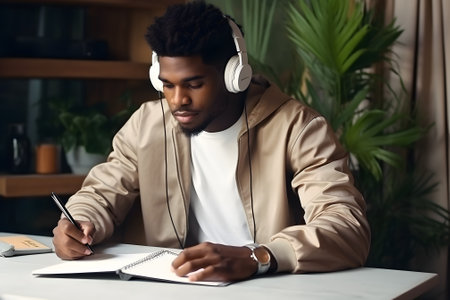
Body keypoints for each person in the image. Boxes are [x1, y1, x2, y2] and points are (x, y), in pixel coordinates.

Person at [52, 1, 370, 282]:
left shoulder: (297, 128)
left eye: (194, 84)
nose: (178, 100)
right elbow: (103, 191)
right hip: (172, 286)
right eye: (167, 85)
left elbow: (346, 227)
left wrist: (257, 257)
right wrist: (82, 219)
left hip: (266, 287)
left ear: (235, 74)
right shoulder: (148, 124)